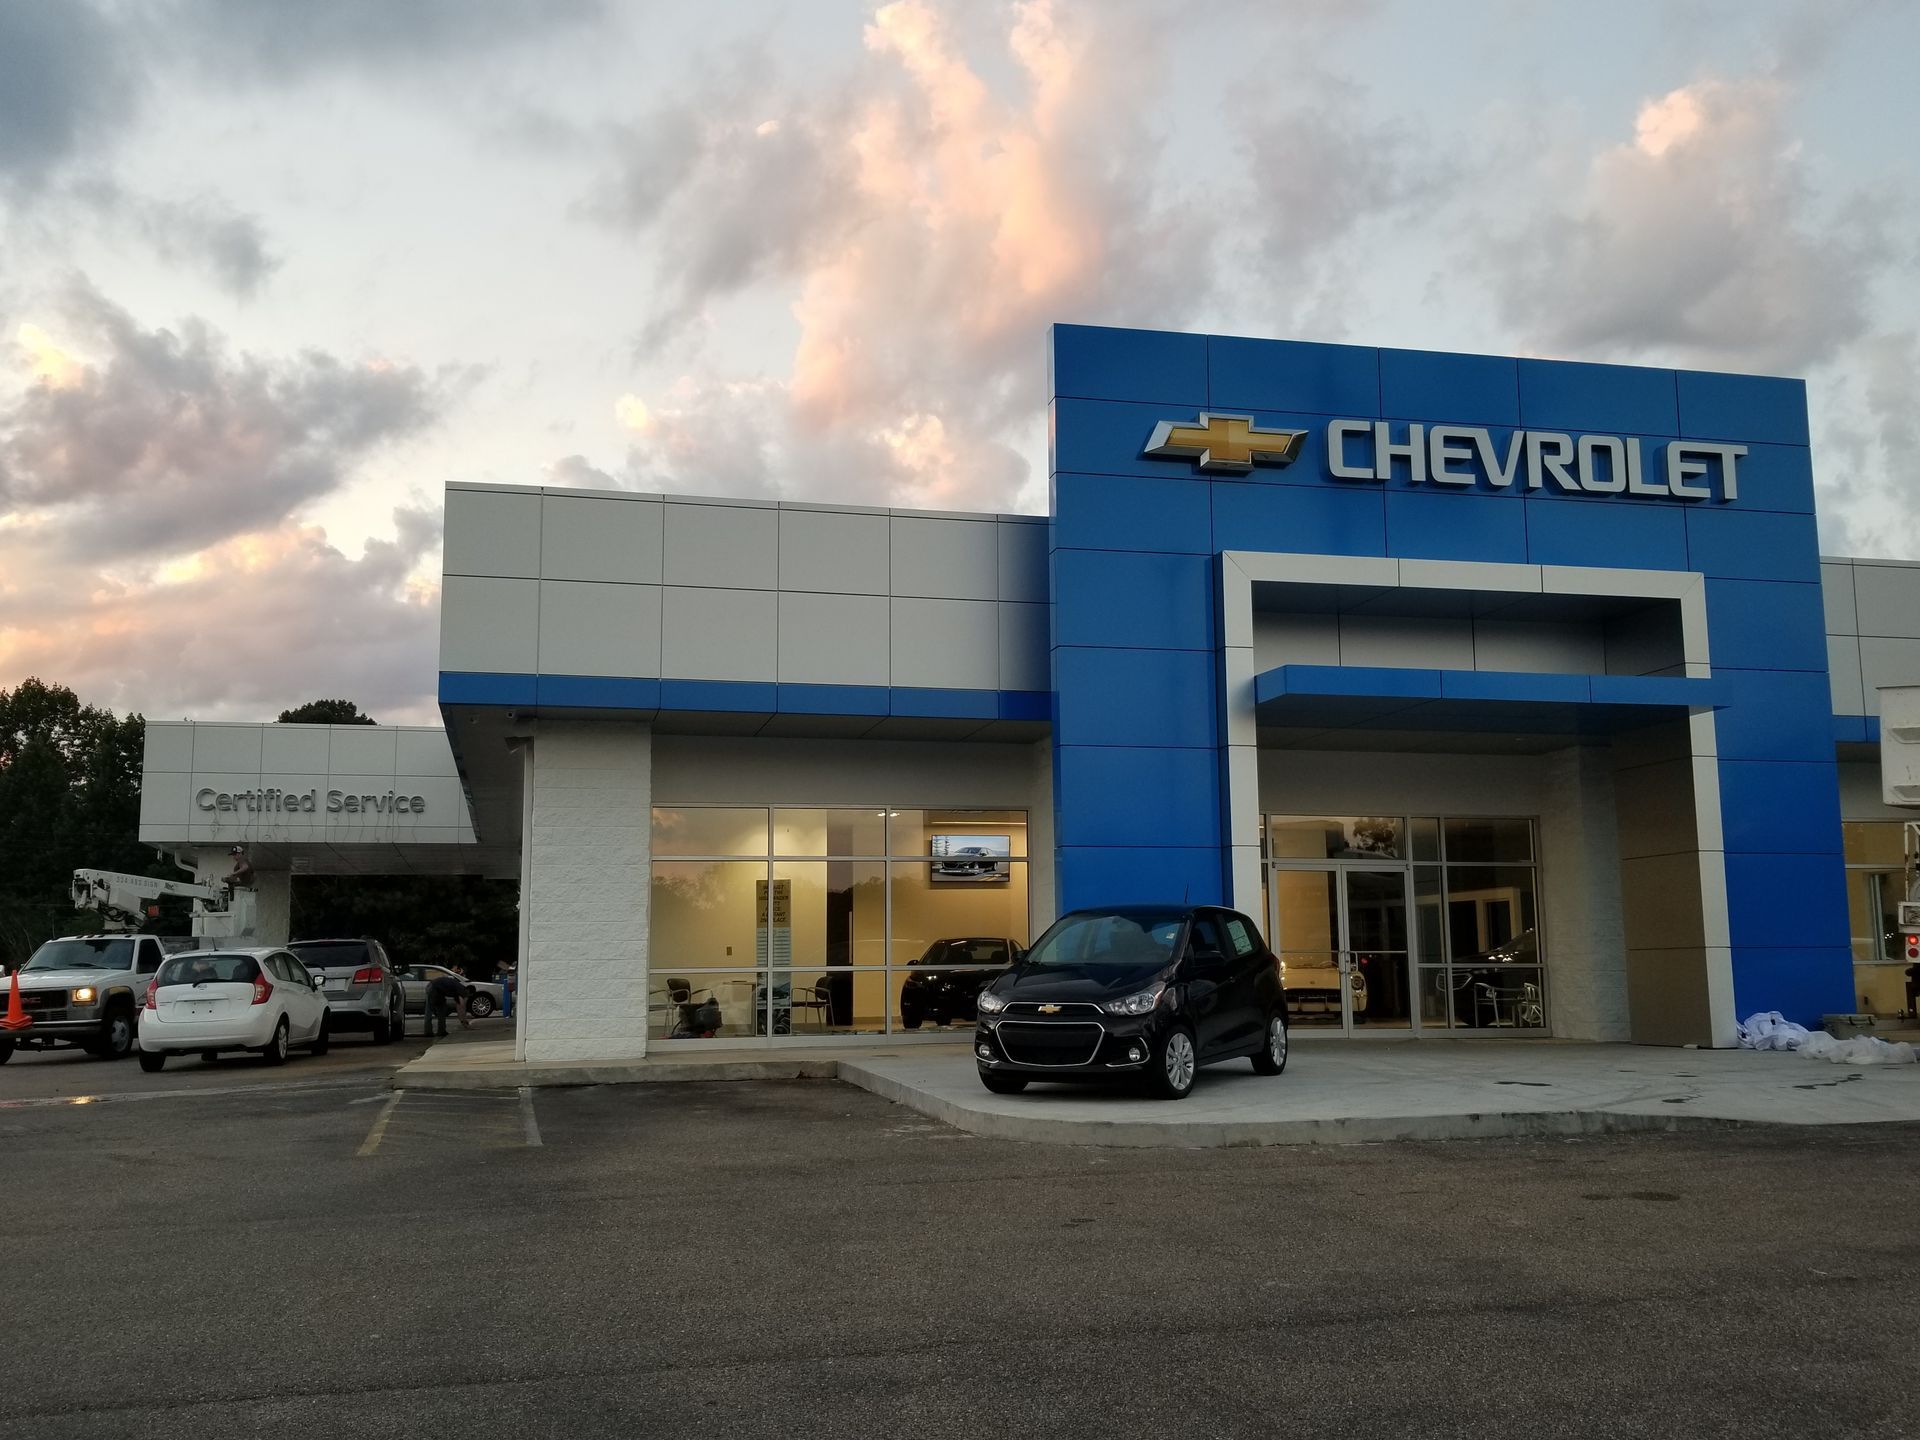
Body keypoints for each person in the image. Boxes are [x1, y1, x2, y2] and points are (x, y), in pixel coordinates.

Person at [426, 968, 469, 1038]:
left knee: (441, 1010)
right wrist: (464, 1021)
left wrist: (462, 1021)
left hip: (437, 989)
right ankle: (429, 1032)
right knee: (430, 1010)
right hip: (433, 988)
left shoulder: (457, 990)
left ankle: (441, 1031)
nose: (467, 997)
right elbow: (462, 1006)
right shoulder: (461, 989)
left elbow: (459, 1007)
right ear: (468, 991)